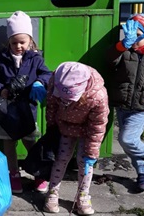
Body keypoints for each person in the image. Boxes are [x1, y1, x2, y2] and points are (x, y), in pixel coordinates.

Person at [0, 10, 52, 194]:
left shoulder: (36, 58)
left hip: (28, 108)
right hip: (7, 110)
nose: (18, 46)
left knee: (31, 141)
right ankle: (13, 174)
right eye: (14, 42)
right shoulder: (1, 59)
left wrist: (40, 83)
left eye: (22, 42)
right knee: (9, 143)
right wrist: (1, 90)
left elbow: (46, 74)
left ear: (30, 40)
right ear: (8, 42)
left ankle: (39, 173)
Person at [106, 13, 144, 192]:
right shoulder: (124, 52)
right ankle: (143, 173)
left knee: (127, 139)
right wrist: (122, 45)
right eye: (129, 32)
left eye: (136, 32)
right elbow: (109, 60)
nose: (131, 36)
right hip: (123, 103)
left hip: (143, 106)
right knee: (130, 142)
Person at [43, 62, 109, 215]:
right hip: (64, 125)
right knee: (61, 157)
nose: (66, 102)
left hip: (87, 130)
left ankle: (83, 195)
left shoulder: (98, 96)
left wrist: (92, 153)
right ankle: (52, 192)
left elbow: (97, 126)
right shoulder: (56, 80)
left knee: (84, 161)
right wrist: (51, 128)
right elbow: (51, 106)